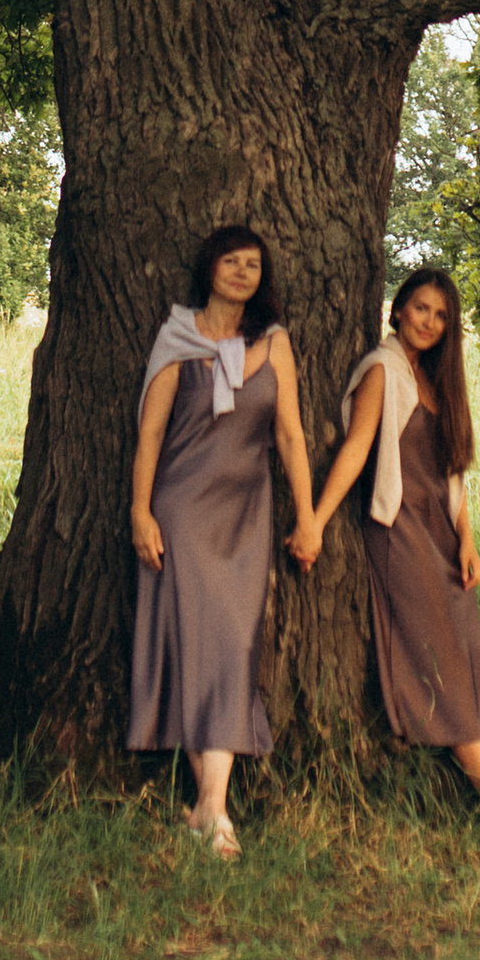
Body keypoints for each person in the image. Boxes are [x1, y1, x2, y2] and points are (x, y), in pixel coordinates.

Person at [306, 264, 480, 854]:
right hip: (399, 532)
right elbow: (356, 450)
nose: (429, 322)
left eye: (441, 315)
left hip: (442, 535)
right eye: (421, 308)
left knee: (470, 665)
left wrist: (467, 539)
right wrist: (315, 522)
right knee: (440, 666)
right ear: (398, 309)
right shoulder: (383, 370)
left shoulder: (435, 380)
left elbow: (452, 474)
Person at [129, 224, 317, 858]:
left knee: (234, 647)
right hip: (182, 510)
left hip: (246, 517)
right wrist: (140, 511)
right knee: (196, 650)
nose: (241, 272)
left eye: (253, 264)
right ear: (209, 268)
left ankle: (207, 808)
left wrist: (308, 516)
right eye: (231, 261)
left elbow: (290, 435)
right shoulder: (177, 336)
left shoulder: (274, 343)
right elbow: (150, 433)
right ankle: (213, 809)